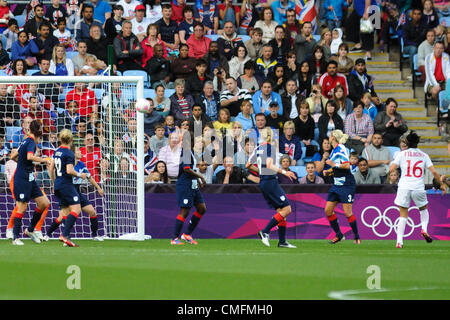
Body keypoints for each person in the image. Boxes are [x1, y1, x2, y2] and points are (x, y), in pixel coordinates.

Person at [389, 131, 446, 248]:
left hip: (404, 186)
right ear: (418, 143)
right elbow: (434, 172)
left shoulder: (402, 154)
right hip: (418, 187)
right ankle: (424, 229)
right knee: (423, 209)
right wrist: (441, 185)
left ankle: (399, 241)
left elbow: (392, 168)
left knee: (403, 214)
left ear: (407, 142)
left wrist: (397, 172)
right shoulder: (424, 155)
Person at [247, 127, 297, 248]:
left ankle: (282, 241)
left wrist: (260, 171)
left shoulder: (258, 149)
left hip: (264, 182)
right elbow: (269, 164)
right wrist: (285, 172)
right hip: (270, 181)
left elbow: (248, 165)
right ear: (271, 137)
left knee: (281, 211)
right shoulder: (269, 147)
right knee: (287, 209)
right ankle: (265, 231)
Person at [44, 144, 105, 242]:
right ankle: (48, 234)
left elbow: (89, 177)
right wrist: (54, 184)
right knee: (62, 217)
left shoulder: (81, 164)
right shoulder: (67, 165)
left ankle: (95, 235)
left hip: (77, 192)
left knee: (92, 212)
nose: (80, 152)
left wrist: (98, 188)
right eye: (78, 151)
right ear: (73, 153)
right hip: (68, 192)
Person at [7, 120, 51, 246]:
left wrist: (24, 164)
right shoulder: (31, 142)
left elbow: (13, 156)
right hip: (22, 179)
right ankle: (15, 238)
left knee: (44, 203)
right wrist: (44, 160)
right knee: (22, 206)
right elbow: (30, 157)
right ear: (38, 131)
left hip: (29, 178)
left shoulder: (24, 141)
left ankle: (30, 230)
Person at [323, 130, 360, 244]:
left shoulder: (341, 148)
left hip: (346, 184)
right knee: (328, 210)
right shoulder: (335, 150)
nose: (329, 137)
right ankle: (339, 235)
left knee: (348, 213)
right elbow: (338, 167)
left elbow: (347, 165)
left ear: (333, 137)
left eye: (330, 135)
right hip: (337, 184)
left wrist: (333, 165)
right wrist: (329, 171)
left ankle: (356, 237)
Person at [171, 132, 207, 245]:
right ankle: (174, 238)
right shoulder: (186, 151)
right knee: (185, 211)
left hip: (192, 184)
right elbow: (186, 169)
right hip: (185, 184)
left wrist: (197, 180)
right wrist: (200, 176)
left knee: (202, 208)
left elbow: (190, 169)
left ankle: (187, 234)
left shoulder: (190, 152)